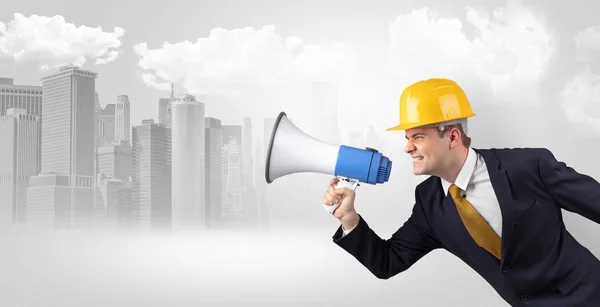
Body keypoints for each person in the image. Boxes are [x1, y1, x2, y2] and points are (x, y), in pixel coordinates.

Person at [322, 78, 600, 307]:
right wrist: (349, 219)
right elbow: (387, 262)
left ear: (453, 136)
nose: (407, 147)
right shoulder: (429, 204)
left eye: (418, 136)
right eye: (407, 138)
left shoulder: (528, 166)